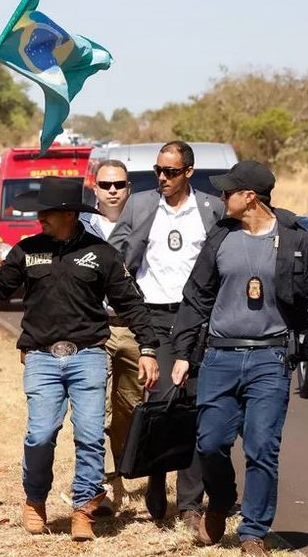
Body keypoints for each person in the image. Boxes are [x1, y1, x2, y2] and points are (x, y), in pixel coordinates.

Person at [0, 177, 159, 542]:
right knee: (40, 435)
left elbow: (131, 303)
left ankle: (84, 508)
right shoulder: (26, 250)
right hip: (41, 358)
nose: (40, 219)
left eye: (47, 213)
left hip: (88, 357)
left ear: (68, 214)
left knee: (89, 436)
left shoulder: (102, 253)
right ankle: (35, 500)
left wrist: (149, 347)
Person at [170, 161, 308, 556]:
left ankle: (253, 532)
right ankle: (220, 499)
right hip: (220, 356)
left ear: (249, 197)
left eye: (228, 191)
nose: (221, 196)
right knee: (210, 442)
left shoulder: (296, 240)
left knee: (262, 447)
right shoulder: (220, 236)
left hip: (270, 359)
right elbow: (196, 297)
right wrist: (182, 352)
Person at [110, 140, 225, 530]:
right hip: (154, 318)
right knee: (161, 399)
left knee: (194, 405)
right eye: (159, 170)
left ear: (188, 172)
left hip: (197, 321)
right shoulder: (141, 205)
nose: (162, 178)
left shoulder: (211, 209)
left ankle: (190, 503)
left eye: (171, 172)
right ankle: (158, 477)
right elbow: (116, 255)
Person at [79, 159, 136, 514]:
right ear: (94, 188)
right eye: (105, 185)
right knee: (93, 413)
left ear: (129, 187)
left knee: (129, 409)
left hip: (132, 326)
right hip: (94, 327)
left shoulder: (146, 221)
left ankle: (123, 477)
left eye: (119, 184)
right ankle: (95, 489)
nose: (112, 190)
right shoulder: (81, 227)